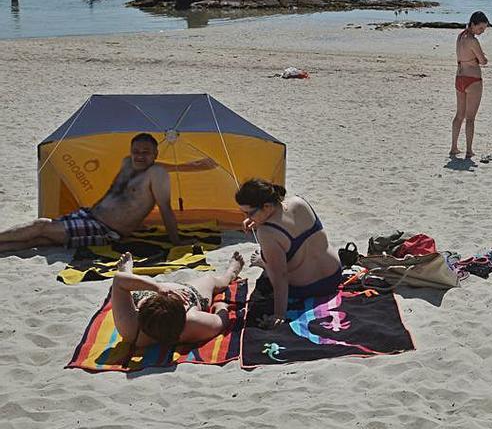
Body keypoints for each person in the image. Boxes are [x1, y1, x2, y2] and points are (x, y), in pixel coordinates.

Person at [0, 133, 217, 253]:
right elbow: (148, 163)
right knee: (40, 239)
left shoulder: (157, 175)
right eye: (136, 152)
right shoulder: (128, 163)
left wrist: (176, 241)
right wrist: (187, 166)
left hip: (105, 229)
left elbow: (167, 210)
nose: (139, 156)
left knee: (41, 226)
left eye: (146, 153)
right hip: (88, 216)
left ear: (155, 153)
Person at [235, 179, 342, 329]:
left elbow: (280, 277)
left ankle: (264, 262)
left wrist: (279, 314)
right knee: (289, 250)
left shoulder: (266, 232)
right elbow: (286, 222)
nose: (247, 217)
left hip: (308, 288)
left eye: (249, 213)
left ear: (266, 206)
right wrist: (258, 219)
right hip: (334, 275)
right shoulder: (299, 202)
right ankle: (266, 260)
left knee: (270, 262)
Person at [111, 251, 244, 346]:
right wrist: (221, 306)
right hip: (192, 294)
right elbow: (221, 321)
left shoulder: (130, 328)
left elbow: (118, 280)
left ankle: (129, 276)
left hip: (145, 297)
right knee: (210, 280)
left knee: (128, 284)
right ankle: (230, 273)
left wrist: (157, 287)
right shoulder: (194, 322)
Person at [451, 11, 490, 159]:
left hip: (459, 77)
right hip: (472, 79)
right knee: (470, 118)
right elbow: (483, 61)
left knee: (459, 115)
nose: (481, 32)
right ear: (473, 24)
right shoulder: (472, 40)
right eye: (480, 28)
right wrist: (483, 57)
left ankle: (454, 147)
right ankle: (469, 150)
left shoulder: (460, 36)